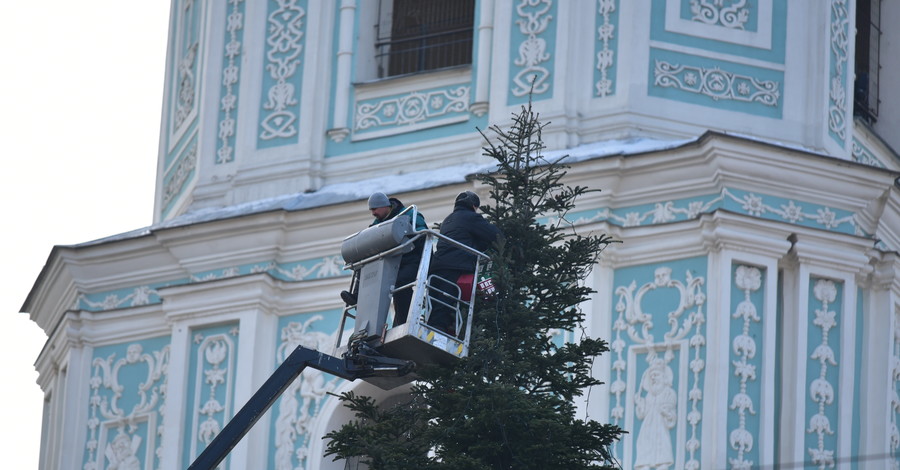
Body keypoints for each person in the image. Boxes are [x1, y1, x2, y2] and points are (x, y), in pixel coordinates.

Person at [341, 192, 427, 326]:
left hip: (412, 258)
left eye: (374, 209)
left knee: (400, 285)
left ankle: (401, 323)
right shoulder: (378, 223)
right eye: (371, 210)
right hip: (393, 261)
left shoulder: (408, 214)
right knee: (364, 261)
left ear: (384, 206)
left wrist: (405, 237)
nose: (373, 213)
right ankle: (357, 296)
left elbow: (421, 232)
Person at [428, 191, 502, 334]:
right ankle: (438, 335)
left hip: (438, 264)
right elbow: (496, 235)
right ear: (474, 206)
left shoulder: (448, 220)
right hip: (456, 265)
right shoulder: (470, 217)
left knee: (437, 301)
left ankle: (436, 330)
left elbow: (464, 238)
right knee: (447, 301)